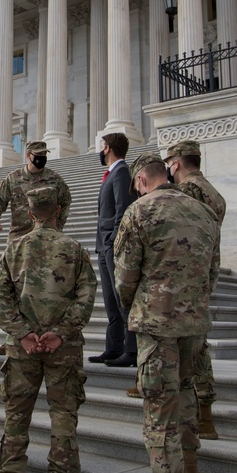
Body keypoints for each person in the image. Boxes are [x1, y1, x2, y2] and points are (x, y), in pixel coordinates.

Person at [114, 153, 220, 473]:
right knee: (187, 396)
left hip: (156, 322)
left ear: (142, 180)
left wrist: (136, 306)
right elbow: (212, 273)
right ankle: (190, 468)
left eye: (137, 186)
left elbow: (124, 277)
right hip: (194, 322)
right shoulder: (204, 212)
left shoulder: (139, 211)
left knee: (160, 408)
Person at [0, 187, 97, 473]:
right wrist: (61, 332)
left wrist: (23, 333)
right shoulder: (74, 249)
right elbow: (86, 297)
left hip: (21, 347)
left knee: (16, 415)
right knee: (63, 414)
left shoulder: (14, 248)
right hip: (63, 348)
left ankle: (10, 471)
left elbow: (0, 297)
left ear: (29, 214)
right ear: (58, 211)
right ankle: (63, 470)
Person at [0, 140, 72, 355]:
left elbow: (66, 201)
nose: (41, 158)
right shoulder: (13, 179)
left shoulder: (54, 179)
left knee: (45, 288)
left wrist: (57, 225)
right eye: (37, 154)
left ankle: (46, 335)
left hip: (47, 241)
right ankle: (13, 338)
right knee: (15, 291)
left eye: (44, 154)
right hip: (19, 240)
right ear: (28, 155)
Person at [165, 140, 226, 441]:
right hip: (202, 279)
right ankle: (206, 415)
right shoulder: (215, 193)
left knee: (189, 355)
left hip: (181, 282)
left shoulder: (188, 192)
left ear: (175, 163)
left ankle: (196, 417)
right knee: (200, 349)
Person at [91, 133, 139, 368]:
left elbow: (124, 208)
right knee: (110, 300)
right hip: (103, 245)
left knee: (122, 298)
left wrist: (112, 239)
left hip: (111, 244)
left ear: (108, 148)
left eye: (101, 146)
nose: (100, 151)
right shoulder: (112, 173)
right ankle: (113, 347)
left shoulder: (121, 172)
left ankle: (131, 349)